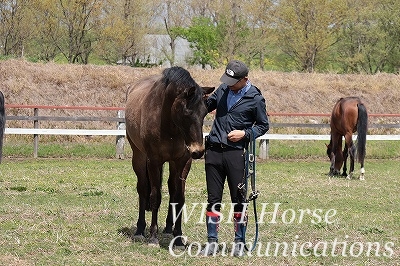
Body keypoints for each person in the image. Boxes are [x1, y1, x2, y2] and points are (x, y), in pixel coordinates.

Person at [201, 60, 269, 256]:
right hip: (213, 151)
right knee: (213, 198)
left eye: (233, 80)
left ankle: (239, 242)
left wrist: (245, 134)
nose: (228, 83)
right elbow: (206, 106)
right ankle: (212, 241)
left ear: (244, 79)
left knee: (238, 199)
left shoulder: (255, 98)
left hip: (236, 154)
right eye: (227, 79)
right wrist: (199, 99)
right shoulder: (223, 90)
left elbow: (263, 126)